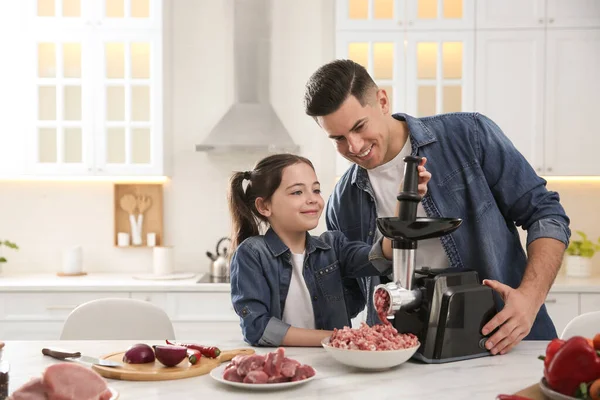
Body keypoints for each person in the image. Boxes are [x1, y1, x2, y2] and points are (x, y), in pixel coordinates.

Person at [303, 59, 571, 356]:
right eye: (338, 138)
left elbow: (546, 213)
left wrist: (530, 298)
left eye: (359, 127)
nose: (353, 147)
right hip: (408, 359)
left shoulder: (468, 135)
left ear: (382, 101)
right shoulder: (343, 201)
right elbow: (348, 300)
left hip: (506, 342)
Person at [227, 153, 431, 347]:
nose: (313, 199)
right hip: (280, 365)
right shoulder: (252, 254)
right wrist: (337, 337)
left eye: (316, 190)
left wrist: (405, 200)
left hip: (334, 363)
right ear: (264, 207)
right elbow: (258, 328)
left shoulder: (334, 246)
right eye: (297, 192)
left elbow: (381, 255)